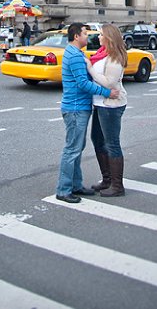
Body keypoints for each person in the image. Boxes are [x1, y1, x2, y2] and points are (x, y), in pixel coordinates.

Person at [56, 23, 120, 203]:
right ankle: (64, 189)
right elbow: (83, 83)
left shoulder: (75, 53)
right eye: (84, 33)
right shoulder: (75, 56)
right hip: (76, 108)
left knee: (77, 148)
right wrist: (107, 92)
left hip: (78, 106)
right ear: (76, 36)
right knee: (72, 149)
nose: (88, 36)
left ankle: (75, 185)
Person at [87, 24, 128, 197]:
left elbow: (109, 83)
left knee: (111, 143)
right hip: (100, 103)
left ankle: (117, 186)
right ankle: (107, 179)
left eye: (101, 34)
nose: (98, 37)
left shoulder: (115, 57)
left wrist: (90, 68)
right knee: (97, 139)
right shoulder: (102, 54)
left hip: (112, 105)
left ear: (109, 37)